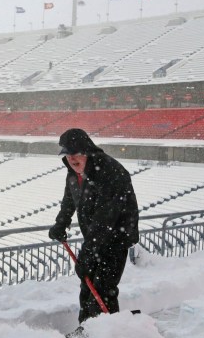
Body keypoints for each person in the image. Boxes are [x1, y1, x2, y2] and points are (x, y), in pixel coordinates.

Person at [48, 128, 139, 327]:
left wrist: (88, 253)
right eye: (67, 154)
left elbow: (106, 218)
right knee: (87, 285)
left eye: (76, 153)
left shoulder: (109, 171)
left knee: (103, 288)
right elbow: (69, 199)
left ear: (87, 150)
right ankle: (87, 327)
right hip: (95, 237)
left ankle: (107, 331)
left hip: (116, 237)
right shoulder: (74, 171)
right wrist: (61, 222)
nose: (72, 159)